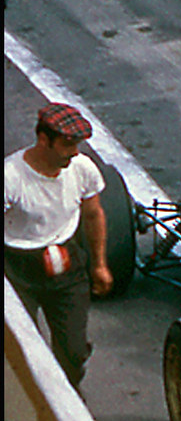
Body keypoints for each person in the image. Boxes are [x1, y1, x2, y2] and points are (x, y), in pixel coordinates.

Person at [4, 103, 114, 392]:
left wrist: (99, 264)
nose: (74, 151)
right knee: (26, 350)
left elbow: (93, 215)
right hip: (18, 267)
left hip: (68, 262)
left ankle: (69, 396)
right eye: (67, 144)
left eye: (76, 144)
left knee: (74, 350)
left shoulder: (82, 169)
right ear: (43, 140)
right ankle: (37, 408)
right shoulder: (11, 176)